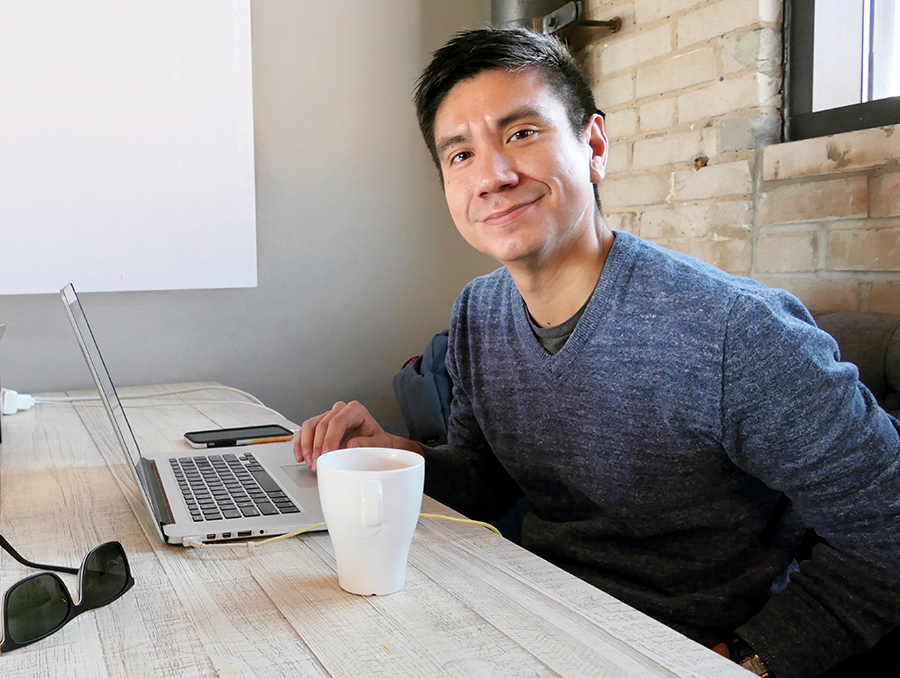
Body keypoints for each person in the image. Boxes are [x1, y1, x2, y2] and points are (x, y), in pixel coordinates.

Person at [295, 27, 900, 678]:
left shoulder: (736, 333)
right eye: (460, 154)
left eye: (522, 133)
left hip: (681, 647)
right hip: (531, 615)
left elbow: (889, 531)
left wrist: (752, 657)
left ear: (594, 146)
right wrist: (394, 454)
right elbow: (486, 481)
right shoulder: (479, 312)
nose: (493, 175)